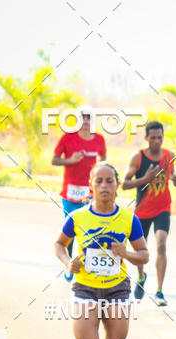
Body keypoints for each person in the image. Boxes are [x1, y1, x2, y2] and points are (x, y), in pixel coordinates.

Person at [54, 163, 149, 339]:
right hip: (85, 287)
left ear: (117, 185)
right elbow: (59, 244)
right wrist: (67, 262)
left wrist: (125, 253)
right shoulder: (78, 218)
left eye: (109, 181)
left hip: (117, 288)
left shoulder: (129, 219)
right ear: (91, 186)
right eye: (99, 181)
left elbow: (144, 254)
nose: (104, 186)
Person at [122, 120, 176, 306]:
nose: (157, 141)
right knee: (141, 249)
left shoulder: (169, 155)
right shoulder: (137, 158)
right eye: (153, 138)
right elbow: (124, 183)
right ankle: (141, 277)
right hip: (142, 210)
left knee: (161, 245)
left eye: (160, 137)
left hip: (163, 207)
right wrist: (146, 179)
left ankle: (160, 292)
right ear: (146, 138)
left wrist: (174, 178)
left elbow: (170, 173)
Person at [52, 105, 107, 281]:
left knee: (90, 229)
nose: (86, 121)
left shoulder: (99, 139)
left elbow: (103, 161)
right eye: (82, 117)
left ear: (93, 120)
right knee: (70, 231)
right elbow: (54, 160)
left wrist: (100, 178)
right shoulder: (68, 138)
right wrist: (71, 160)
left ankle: (89, 264)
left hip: (90, 193)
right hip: (69, 193)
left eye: (89, 117)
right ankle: (69, 265)